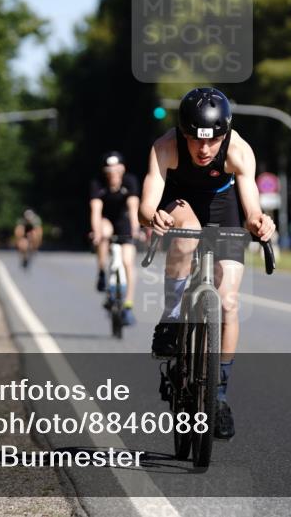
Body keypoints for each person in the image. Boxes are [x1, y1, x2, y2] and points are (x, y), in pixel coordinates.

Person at [138, 87, 276, 440]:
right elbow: (146, 205)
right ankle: (170, 320)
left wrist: (260, 222)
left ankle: (218, 396)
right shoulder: (164, 148)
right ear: (183, 134)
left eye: (213, 141)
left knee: (228, 300)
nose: (203, 150)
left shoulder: (239, 151)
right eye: (195, 140)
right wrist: (153, 217)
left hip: (222, 204)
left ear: (224, 134)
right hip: (179, 203)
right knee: (187, 231)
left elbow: (252, 209)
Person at [89, 151, 140, 324]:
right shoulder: (97, 183)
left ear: (123, 170)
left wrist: (135, 228)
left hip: (124, 221)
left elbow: (133, 208)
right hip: (106, 221)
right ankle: (102, 271)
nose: (113, 176)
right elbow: (96, 211)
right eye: (109, 172)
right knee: (103, 233)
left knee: (128, 262)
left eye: (117, 171)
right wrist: (96, 232)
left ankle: (128, 304)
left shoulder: (130, 181)